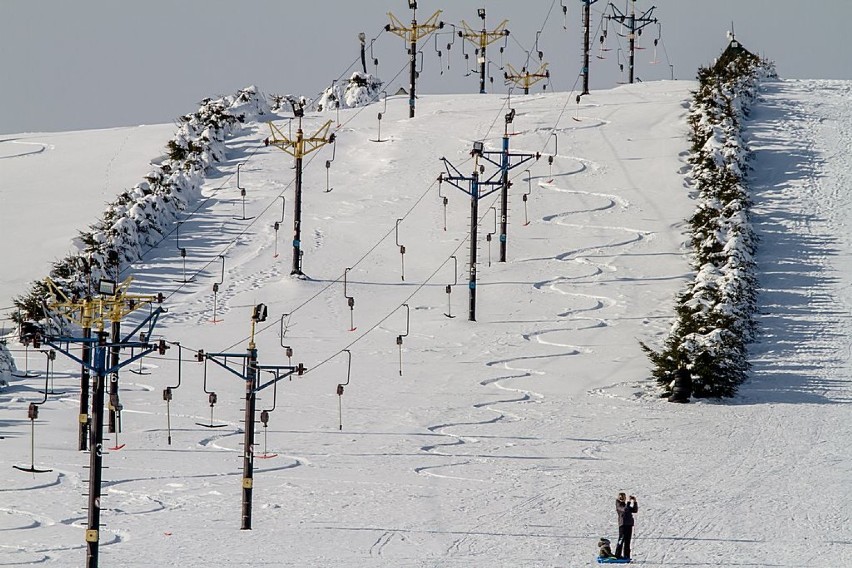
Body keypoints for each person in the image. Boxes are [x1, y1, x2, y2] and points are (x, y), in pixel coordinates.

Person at [615, 492, 638, 560]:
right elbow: (624, 509)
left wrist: (634, 502)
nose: (622, 499)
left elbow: (634, 510)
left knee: (627, 541)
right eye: (620, 497)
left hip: (629, 524)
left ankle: (626, 556)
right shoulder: (618, 504)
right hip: (623, 524)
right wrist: (628, 502)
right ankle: (617, 555)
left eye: (623, 497)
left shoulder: (625, 504)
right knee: (621, 540)